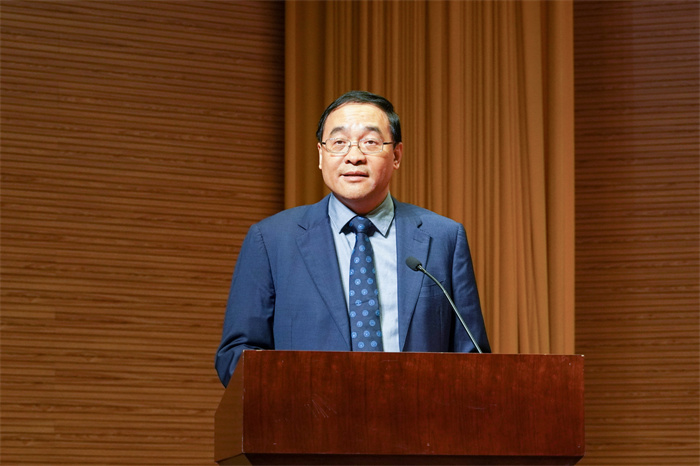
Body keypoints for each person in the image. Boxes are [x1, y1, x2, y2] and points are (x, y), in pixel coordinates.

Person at [215, 90, 490, 387]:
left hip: (418, 413)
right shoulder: (272, 240)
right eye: (339, 143)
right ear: (321, 155)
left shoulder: (444, 237)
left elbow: (473, 357)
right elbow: (236, 356)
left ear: (396, 155)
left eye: (370, 142)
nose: (354, 156)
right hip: (308, 413)